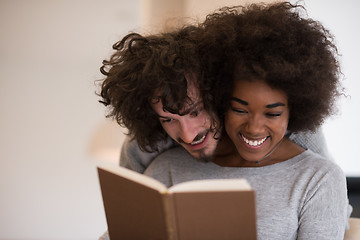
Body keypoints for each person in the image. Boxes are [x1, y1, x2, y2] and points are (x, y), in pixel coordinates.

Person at [141, 2, 350, 239]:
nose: (254, 128)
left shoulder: (318, 179)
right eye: (240, 110)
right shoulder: (166, 168)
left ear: (297, 110)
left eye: (272, 114)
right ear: (218, 101)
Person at [99, 15, 333, 175]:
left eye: (196, 110)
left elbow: (334, 208)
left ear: (220, 91)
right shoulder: (142, 148)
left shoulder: (295, 131)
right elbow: (129, 212)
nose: (188, 136)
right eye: (168, 119)